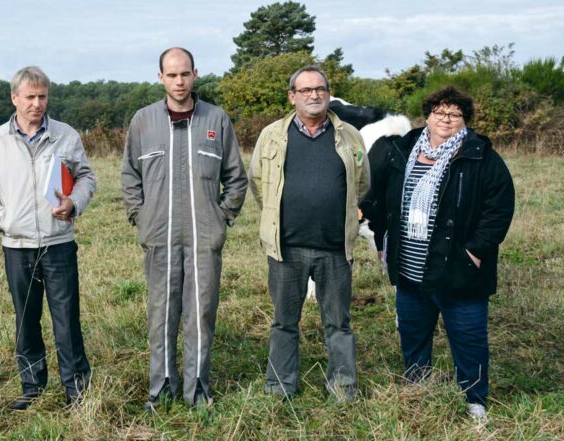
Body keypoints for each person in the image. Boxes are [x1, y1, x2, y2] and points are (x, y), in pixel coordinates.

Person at [363, 86, 515, 420]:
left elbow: (499, 210)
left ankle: (475, 399)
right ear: (428, 114)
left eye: (455, 114)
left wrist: (474, 252)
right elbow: (379, 200)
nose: (446, 119)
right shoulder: (401, 149)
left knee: (469, 339)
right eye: (439, 112)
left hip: (458, 270)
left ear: (464, 120)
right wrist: (381, 242)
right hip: (410, 267)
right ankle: (418, 388)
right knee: (414, 334)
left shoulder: (480, 155)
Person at [121, 47, 248, 410]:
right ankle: (160, 389)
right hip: (159, 236)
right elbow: (130, 174)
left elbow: (236, 178)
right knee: (161, 312)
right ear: (160, 77)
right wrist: (139, 216)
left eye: (185, 74)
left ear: (195, 74)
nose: (179, 81)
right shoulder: (143, 121)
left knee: (201, 313)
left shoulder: (216, 119)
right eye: (171, 75)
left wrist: (222, 217)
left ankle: (197, 390)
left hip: (204, 236)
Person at [0, 66, 96, 410]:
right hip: (17, 246)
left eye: (42, 97)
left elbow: (86, 177)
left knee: (66, 318)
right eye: (30, 97)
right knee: (25, 319)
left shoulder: (66, 136)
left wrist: (74, 203)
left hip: (58, 243)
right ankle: (32, 386)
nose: (37, 104)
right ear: (14, 98)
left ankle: (76, 389)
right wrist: (3, 221)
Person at [249, 66, 370, 401]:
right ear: (292, 97)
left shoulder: (350, 135)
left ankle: (343, 387)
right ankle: (280, 386)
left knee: (339, 323)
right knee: (284, 322)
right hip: (286, 247)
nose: (314, 95)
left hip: (335, 247)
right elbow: (258, 181)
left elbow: (362, 183)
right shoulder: (272, 134)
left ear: (328, 93)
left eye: (320, 89)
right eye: (305, 90)